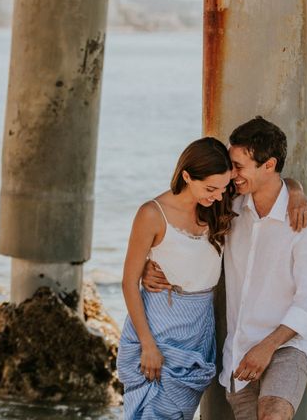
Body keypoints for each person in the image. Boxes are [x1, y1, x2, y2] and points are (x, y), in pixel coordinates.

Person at [144, 117, 307, 420]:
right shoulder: (228, 208)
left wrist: (267, 347)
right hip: (239, 350)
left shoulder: (306, 221)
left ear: (269, 165)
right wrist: (149, 265)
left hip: (289, 345)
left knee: (272, 415)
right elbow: (182, 231)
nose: (231, 174)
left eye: (239, 166)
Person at [117, 137, 235, 419]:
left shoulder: (216, 206)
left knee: (179, 414)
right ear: (186, 176)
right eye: (210, 188)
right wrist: (148, 344)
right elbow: (128, 282)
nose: (218, 196)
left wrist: (296, 191)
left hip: (199, 328)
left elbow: (271, 186)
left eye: (223, 188)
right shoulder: (152, 214)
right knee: (152, 411)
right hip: (160, 326)